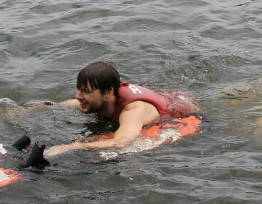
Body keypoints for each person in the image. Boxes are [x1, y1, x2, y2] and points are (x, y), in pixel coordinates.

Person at [20, 61, 199, 166]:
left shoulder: (132, 111)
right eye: (78, 90)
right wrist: (30, 109)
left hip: (181, 110)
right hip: (164, 94)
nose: (78, 96)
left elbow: (122, 141)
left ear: (107, 93)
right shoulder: (99, 98)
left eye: (86, 91)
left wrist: (70, 147)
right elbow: (65, 104)